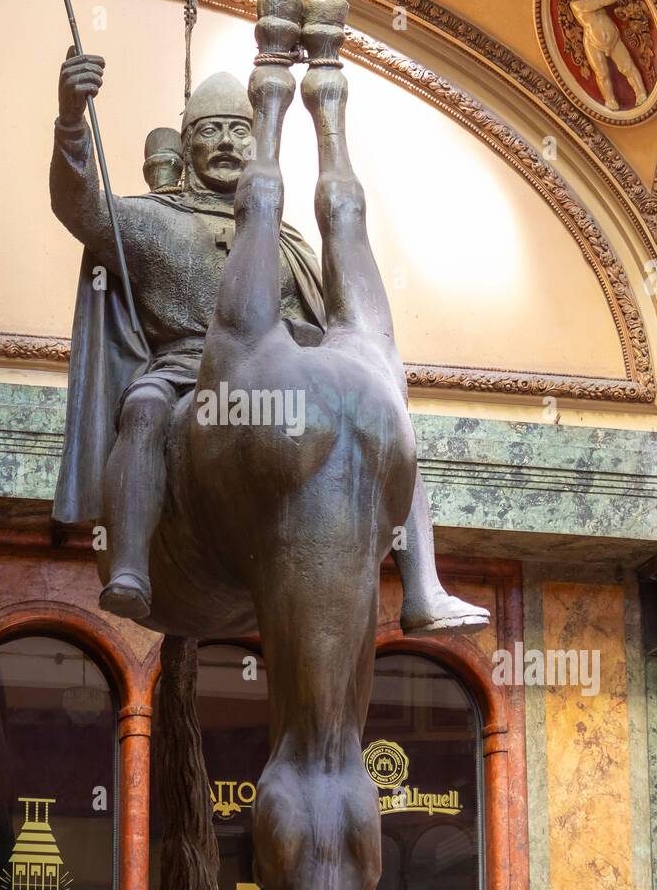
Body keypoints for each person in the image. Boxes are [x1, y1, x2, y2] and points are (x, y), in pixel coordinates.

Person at [49, 48, 489, 634]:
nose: (229, 142)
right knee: (146, 410)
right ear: (186, 149)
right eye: (211, 132)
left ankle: (423, 586)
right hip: (188, 370)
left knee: (384, 419)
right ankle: (131, 565)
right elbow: (76, 204)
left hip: (299, 364)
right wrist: (71, 118)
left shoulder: (286, 240)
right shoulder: (150, 219)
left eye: (239, 130)